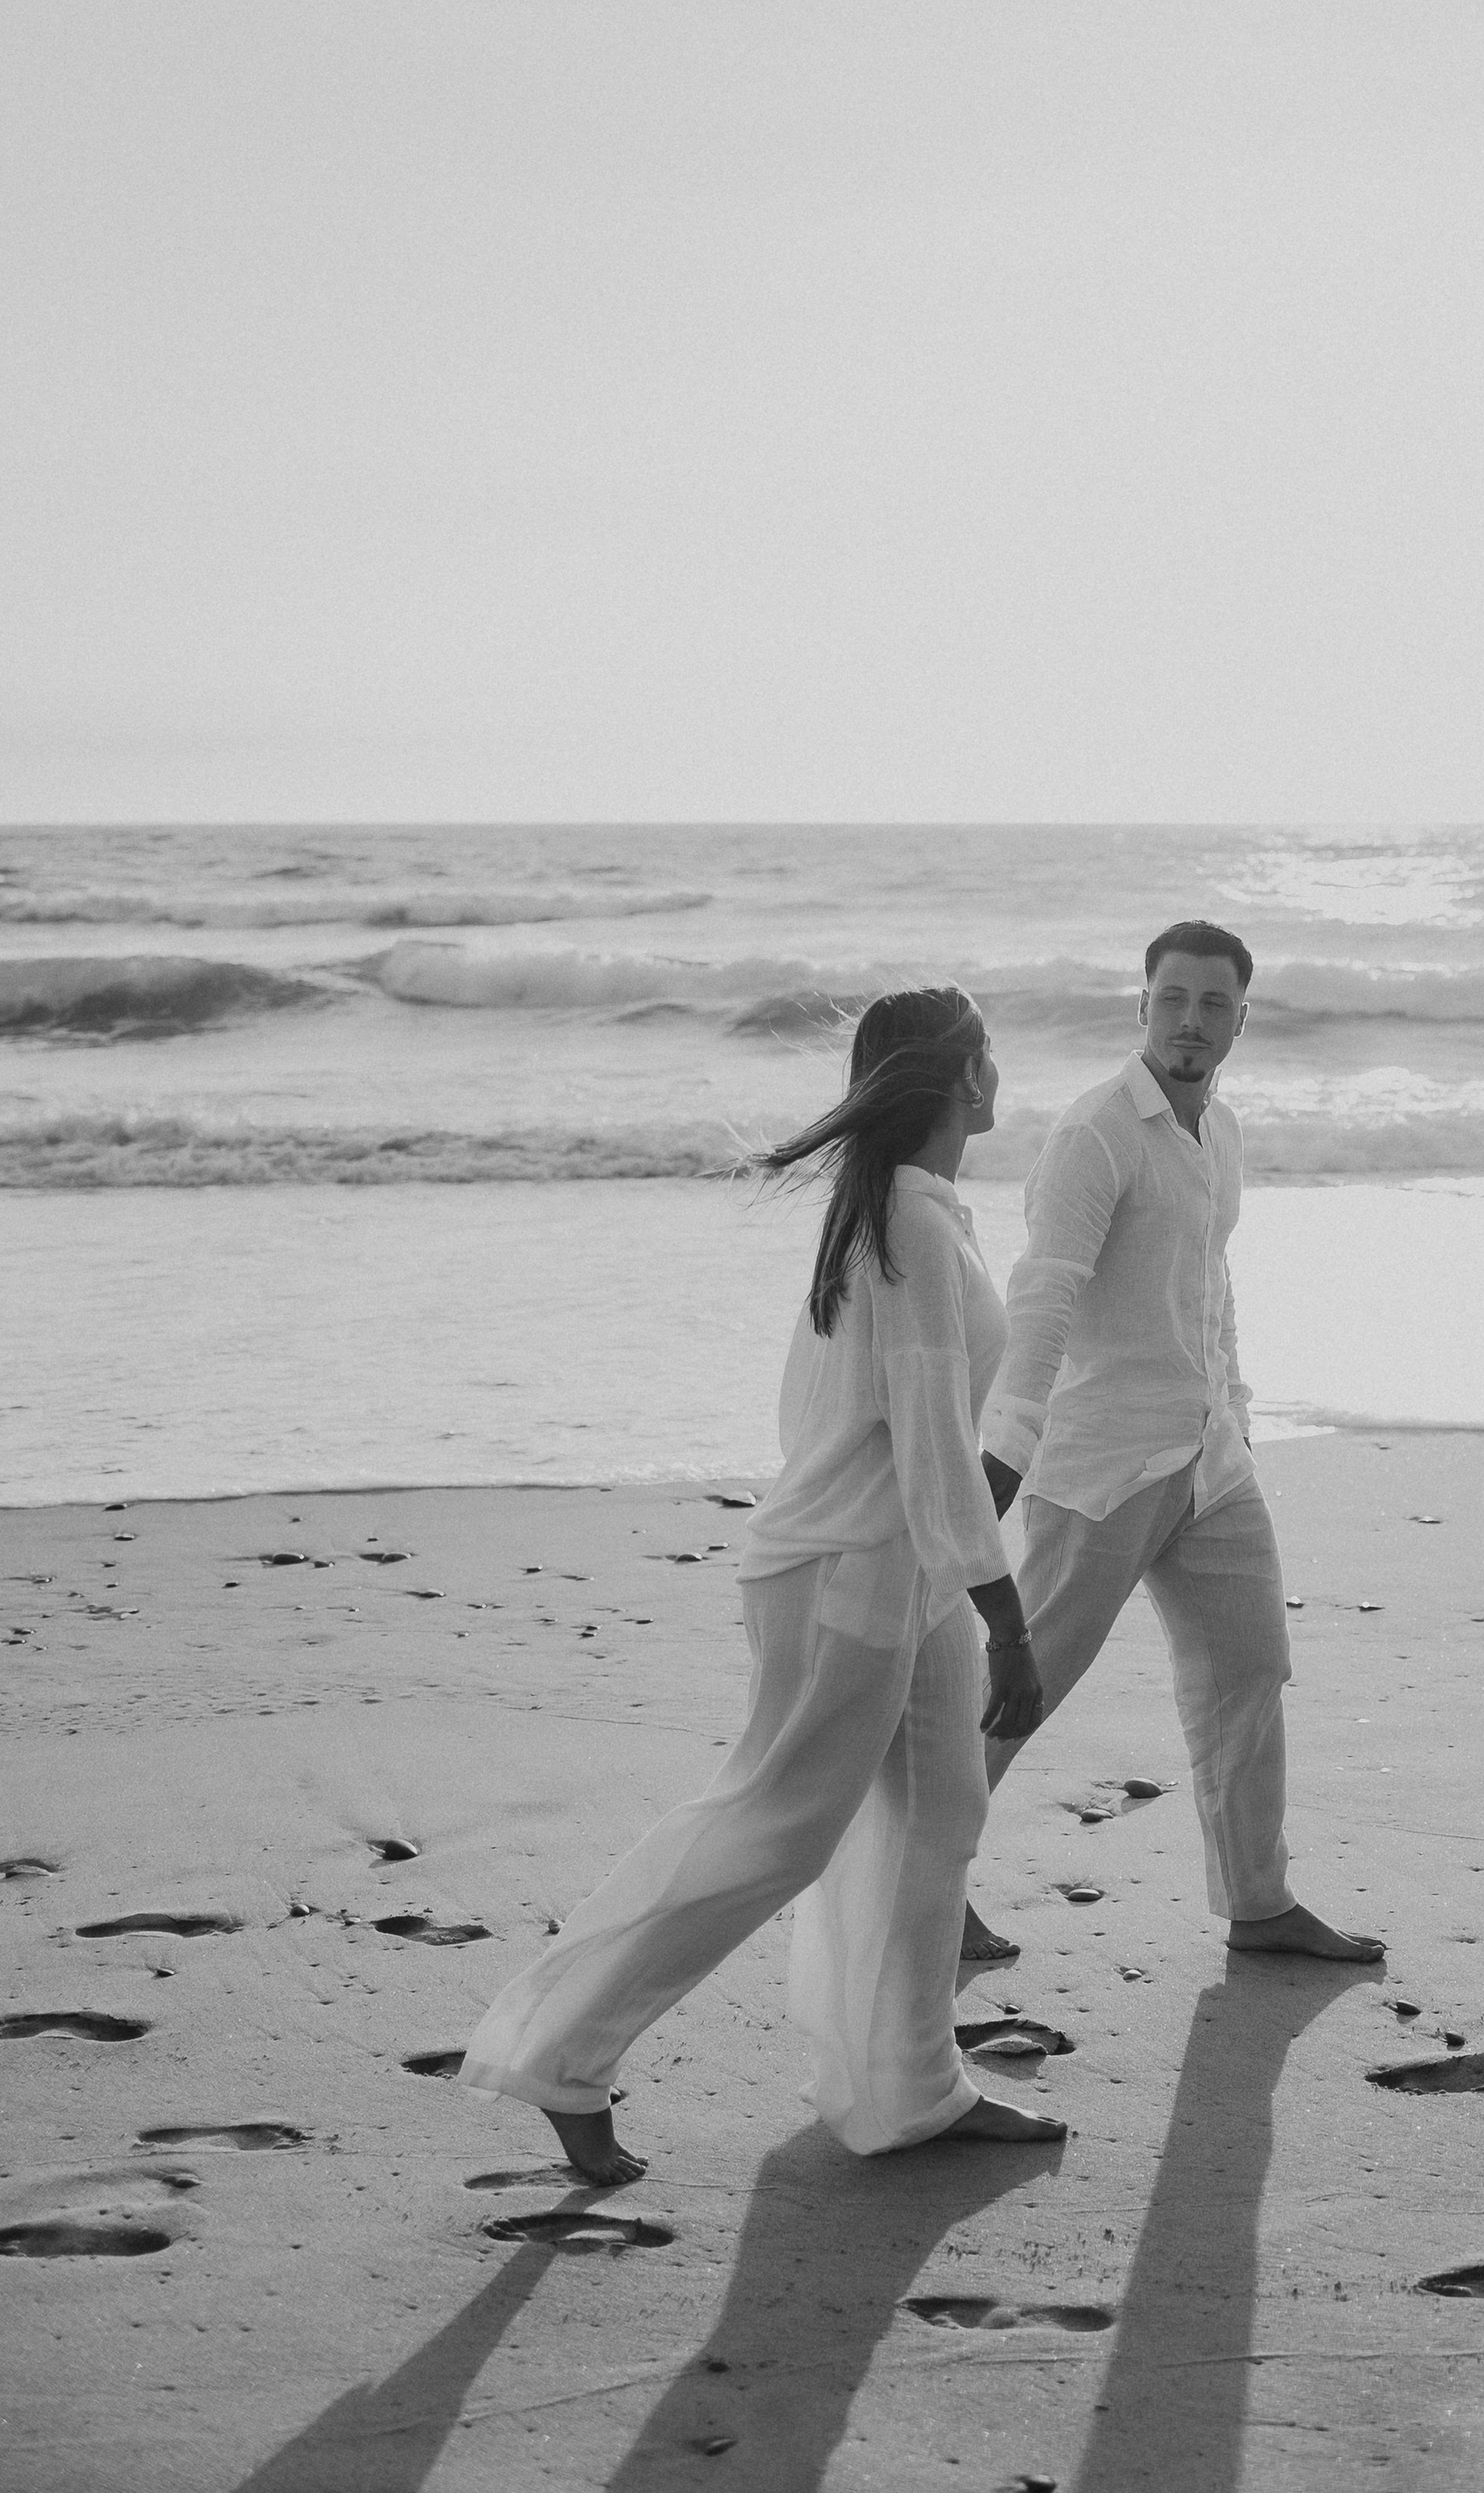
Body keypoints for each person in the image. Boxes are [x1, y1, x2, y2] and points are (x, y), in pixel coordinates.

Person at [457, 987, 1065, 2186]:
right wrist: (1011, 1622)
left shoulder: (914, 1212)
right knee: (775, 1828)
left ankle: (907, 2088)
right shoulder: (911, 1229)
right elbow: (936, 1445)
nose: (1002, 1078)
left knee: (942, 1812)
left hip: (895, 1568)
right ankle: (559, 2058)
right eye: (990, 1060)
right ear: (960, 1079)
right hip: (851, 1577)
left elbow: (849, 1421)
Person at [964, 919, 1381, 1967]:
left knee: (1250, 1665)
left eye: (1212, 1003)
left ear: (1242, 1016)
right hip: (1100, 1466)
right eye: (1171, 1000)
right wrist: (1007, 1441)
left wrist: (1235, 1406)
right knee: (1023, 1689)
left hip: (1209, 1463)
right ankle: (917, 1884)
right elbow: (1046, 1289)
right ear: (1140, 1008)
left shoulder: (1220, 1131)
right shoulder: (1096, 1133)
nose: (1190, 1021)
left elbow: (1212, 1281)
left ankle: (1257, 1901)